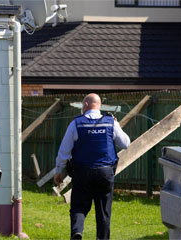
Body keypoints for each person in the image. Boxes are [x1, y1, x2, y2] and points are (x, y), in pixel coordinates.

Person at [54, 93, 130, 240]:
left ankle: (77, 232)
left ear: (86, 105)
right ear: (99, 106)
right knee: (103, 212)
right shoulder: (110, 123)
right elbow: (126, 143)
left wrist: (58, 171)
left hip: (82, 172)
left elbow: (64, 151)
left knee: (78, 207)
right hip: (105, 173)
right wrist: (117, 124)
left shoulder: (76, 124)